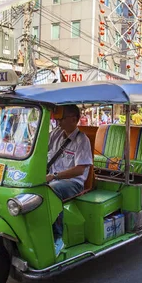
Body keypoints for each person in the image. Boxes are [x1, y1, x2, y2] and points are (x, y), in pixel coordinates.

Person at [46, 104, 93, 255]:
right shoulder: (56, 134)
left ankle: (58, 237)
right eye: (57, 118)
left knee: (52, 190)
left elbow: (80, 169)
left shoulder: (82, 140)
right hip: (51, 178)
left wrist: (54, 176)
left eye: (62, 118)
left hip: (73, 183)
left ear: (74, 119)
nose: (58, 121)